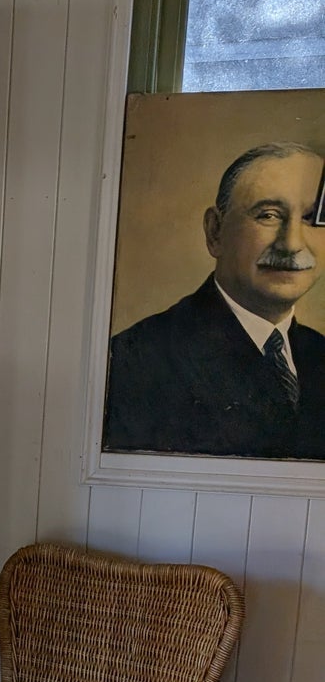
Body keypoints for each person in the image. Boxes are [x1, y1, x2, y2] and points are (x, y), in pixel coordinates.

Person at [103, 141, 325, 460]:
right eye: (268, 215)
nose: (292, 244)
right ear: (215, 231)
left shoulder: (318, 354)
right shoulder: (133, 360)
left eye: (310, 218)